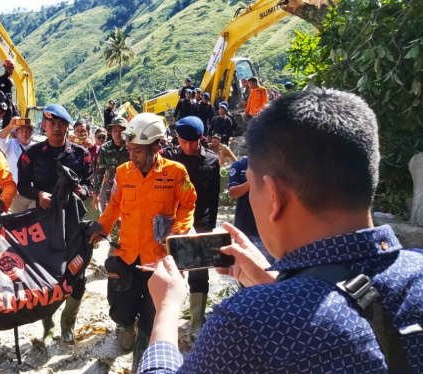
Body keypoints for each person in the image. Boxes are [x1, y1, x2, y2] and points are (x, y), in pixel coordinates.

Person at [139, 88, 423, 374]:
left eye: (253, 187)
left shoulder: (246, 322)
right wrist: (274, 283)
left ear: (274, 197)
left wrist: (166, 308)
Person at [88, 113, 196, 372]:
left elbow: (188, 203)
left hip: (157, 260)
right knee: (121, 308)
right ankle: (125, 326)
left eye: (137, 151)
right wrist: (100, 226)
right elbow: (114, 204)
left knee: (151, 317)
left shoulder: (175, 172)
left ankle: (141, 359)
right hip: (126, 255)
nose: (132, 156)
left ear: (155, 147)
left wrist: (179, 232)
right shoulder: (124, 173)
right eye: (130, 150)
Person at [17, 104, 94, 345]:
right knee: (44, 276)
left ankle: (67, 323)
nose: (56, 128)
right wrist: (39, 194)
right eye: (52, 123)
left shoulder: (81, 154)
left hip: (74, 224)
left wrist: (82, 191)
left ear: (67, 127)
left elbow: (92, 184)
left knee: (78, 275)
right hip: (43, 224)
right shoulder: (32, 153)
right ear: (45, 125)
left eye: (61, 124)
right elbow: (22, 186)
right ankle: (48, 325)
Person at [161, 116, 220, 338]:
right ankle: (166, 317)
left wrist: (209, 228)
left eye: (192, 142)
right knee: (169, 268)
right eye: (183, 142)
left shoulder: (212, 161)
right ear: (177, 139)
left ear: (201, 138)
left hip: (201, 222)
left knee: (199, 270)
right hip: (173, 223)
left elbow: (213, 197)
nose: (188, 147)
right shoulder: (168, 158)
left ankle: (197, 320)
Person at [0, 117, 36, 213]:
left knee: (34, 222)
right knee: (18, 223)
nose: (24, 133)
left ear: (31, 132)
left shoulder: (36, 147)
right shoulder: (10, 145)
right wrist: (11, 126)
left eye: (27, 130)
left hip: (34, 192)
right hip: (17, 193)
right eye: (21, 130)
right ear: (16, 133)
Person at [93, 117, 129, 213]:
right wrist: (96, 194)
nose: (117, 134)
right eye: (115, 130)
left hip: (130, 190)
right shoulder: (104, 148)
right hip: (112, 191)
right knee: (112, 219)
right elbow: (99, 172)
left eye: (121, 131)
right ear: (110, 132)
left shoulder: (132, 147)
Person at [0, 59, 16, 128]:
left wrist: (12, 103)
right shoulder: (2, 79)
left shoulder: (8, 79)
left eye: (13, 68)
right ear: (6, 68)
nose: (12, 70)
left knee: (15, 117)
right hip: (5, 104)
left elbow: (9, 94)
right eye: (11, 68)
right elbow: (3, 93)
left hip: (9, 103)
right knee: (7, 122)